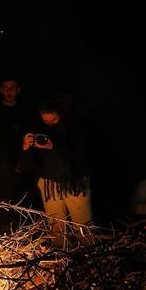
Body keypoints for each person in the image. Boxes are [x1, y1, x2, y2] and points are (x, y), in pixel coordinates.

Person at [22, 99, 92, 244]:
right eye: (46, 121)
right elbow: (29, 163)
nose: (50, 123)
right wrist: (26, 146)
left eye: (53, 119)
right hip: (49, 185)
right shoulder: (38, 130)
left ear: (60, 114)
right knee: (56, 229)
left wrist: (53, 147)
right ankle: (60, 260)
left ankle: (92, 260)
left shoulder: (74, 129)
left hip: (74, 183)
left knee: (84, 227)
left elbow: (78, 156)